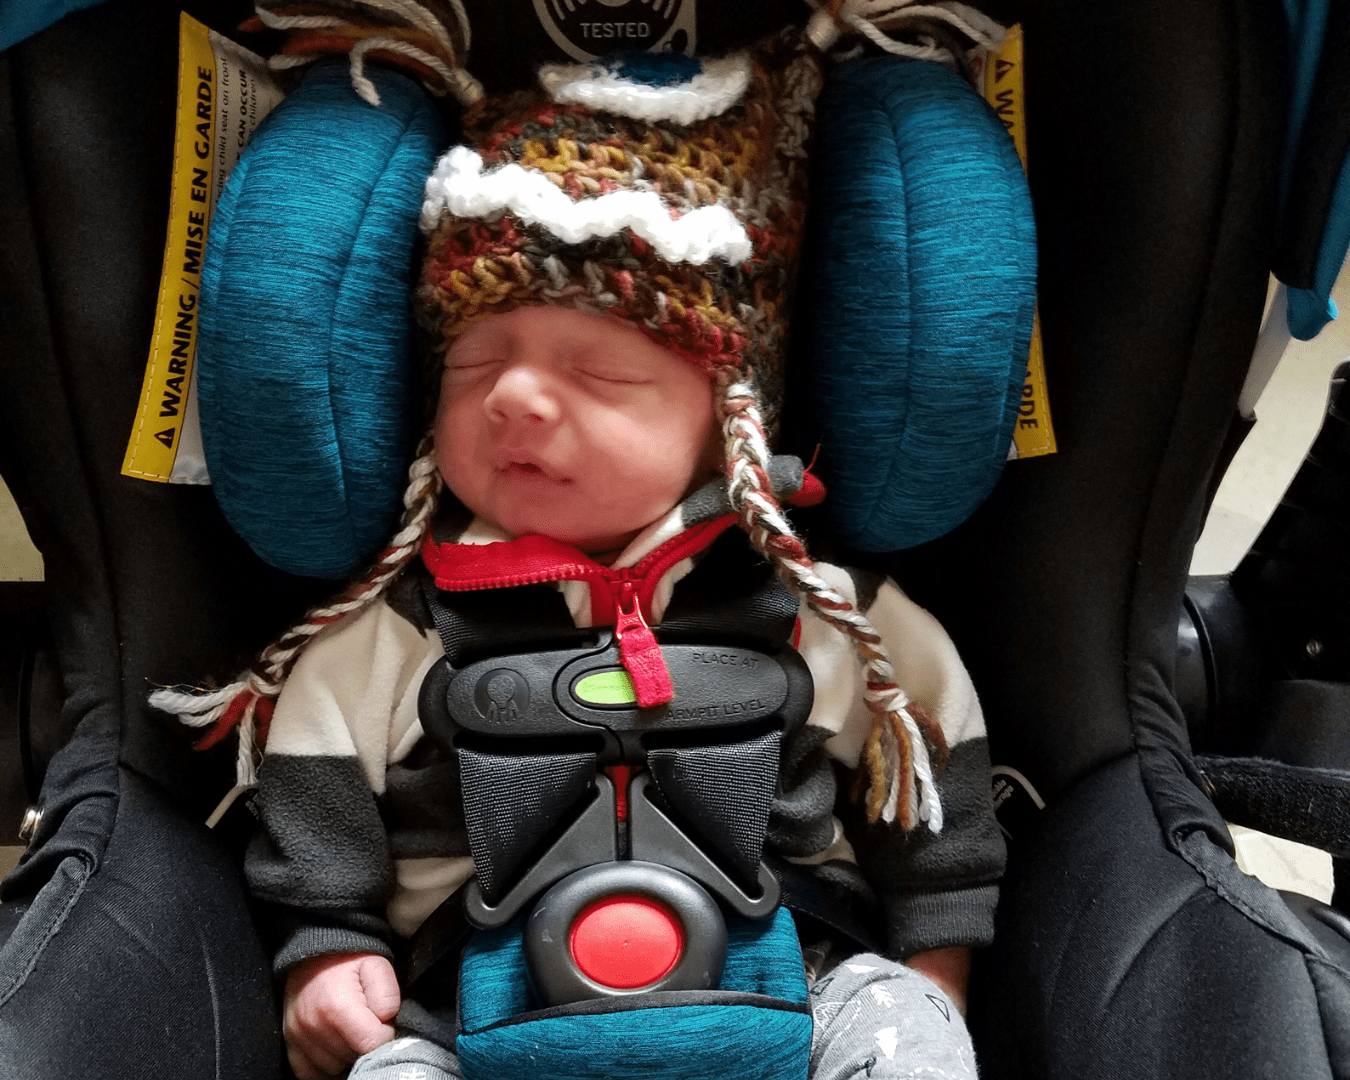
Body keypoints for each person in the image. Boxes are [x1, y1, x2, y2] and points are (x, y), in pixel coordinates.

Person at [165, 29, 1005, 1080]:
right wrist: (324, 953)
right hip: (472, 1011)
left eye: (598, 376)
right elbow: (313, 799)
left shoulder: (819, 614)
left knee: (903, 1037)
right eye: (474, 365)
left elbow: (934, 791)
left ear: (730, 419)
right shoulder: (398, 634)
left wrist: (935, 970)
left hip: (799, 984)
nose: (514, 395)